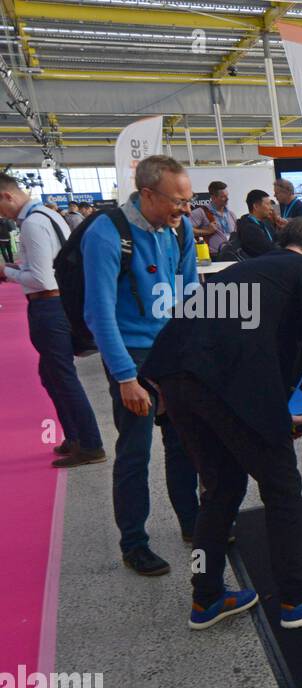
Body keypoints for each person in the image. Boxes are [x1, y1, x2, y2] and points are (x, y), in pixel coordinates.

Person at [141, 216, 302, 630]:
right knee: (281, 486)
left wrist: (276, 413)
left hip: (175, 379)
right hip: (221, 387)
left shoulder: (247, 270)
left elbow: (247, 345)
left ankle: (206, 597)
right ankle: (296, 598)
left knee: (220, 489)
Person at [82, 154, 201, 575]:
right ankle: (134, 543)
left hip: (171, 354)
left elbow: (190, 293)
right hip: (131, 358)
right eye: (177, 201)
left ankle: (193, 522)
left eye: (189, 201)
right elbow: (98, 313)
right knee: (134, 453)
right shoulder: (107, 233)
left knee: (184, 443)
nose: (185, 210)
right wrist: (126, 377)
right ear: (147, 194)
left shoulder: (180, 228)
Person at [0, 173, 106, 467]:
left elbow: (41, 278)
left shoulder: (33, 223)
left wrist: (7, 272)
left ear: (7, 196)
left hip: (48, 305)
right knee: (51, 374)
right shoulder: (48, 215)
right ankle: (75, 436)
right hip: (61, 302)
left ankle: (90, 443)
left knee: (62, 375)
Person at [190, 180, 238, 256]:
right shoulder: (201, 212)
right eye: (223, 197)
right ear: (213, 197)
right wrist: (207, 231)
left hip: (232, 255)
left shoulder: (231, 214)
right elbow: (186, 230)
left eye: (227, 196)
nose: (227, 199)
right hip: (212, 258)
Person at [237, 189, 278, 258]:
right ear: (256, 206)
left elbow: (277, 240)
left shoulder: (266, 222)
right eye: (267, 204)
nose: (271, 208)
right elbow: (267, 250)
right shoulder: (248, 229)